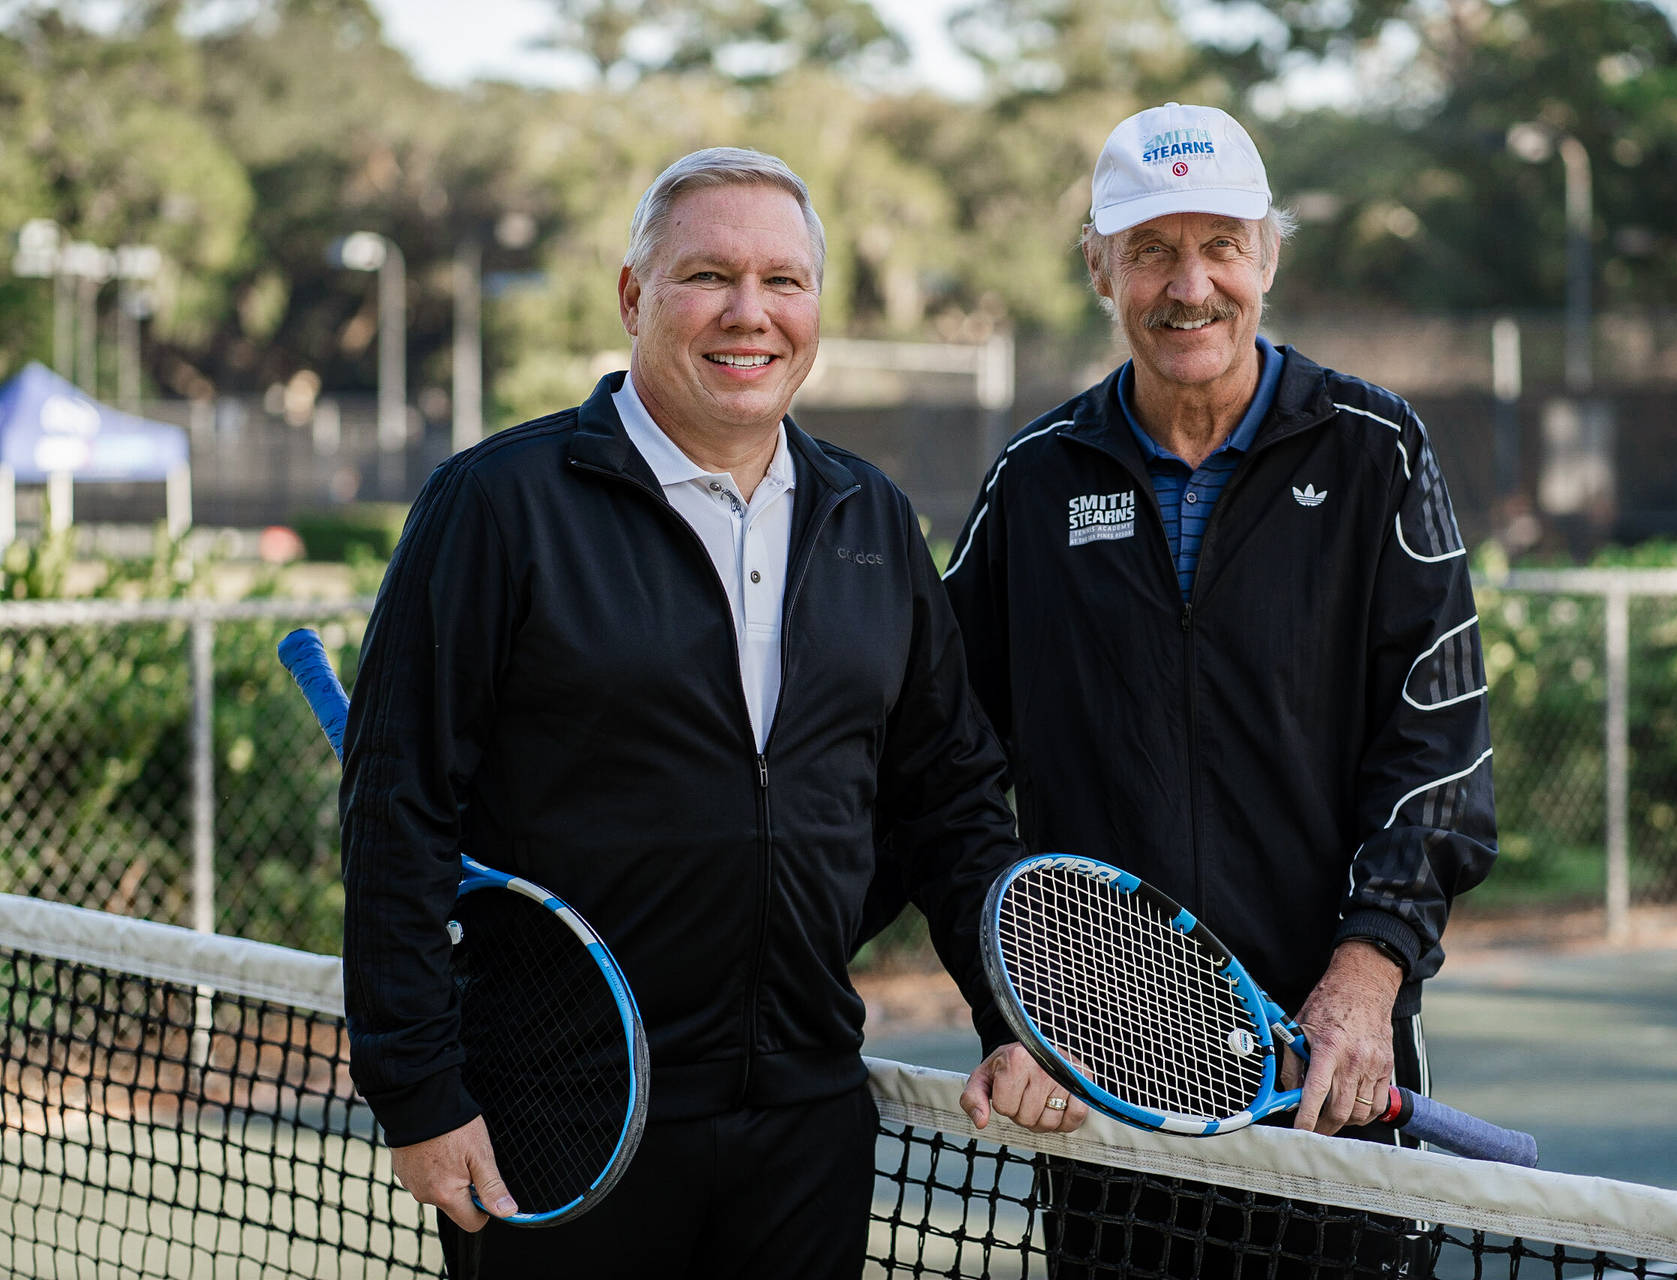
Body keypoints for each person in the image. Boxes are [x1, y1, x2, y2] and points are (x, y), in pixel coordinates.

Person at [338, 146, 1083, 1280]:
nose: (752, 313)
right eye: (709, 277)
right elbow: (395, 812)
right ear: (635, 296)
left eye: (784, 281)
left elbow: (952, 799)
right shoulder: (495, 505)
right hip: (562, 1116)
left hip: (806, 1118)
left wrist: (1010, 1009)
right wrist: (418, 1093)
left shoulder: (868, 516)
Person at [939, 103, 1498, 1275]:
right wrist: (1019, 1010)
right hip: (1105, 1094)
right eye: (1149, 250)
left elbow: (1439, 745)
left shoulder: (1375, 449)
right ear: (1100, 268)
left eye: (1220, 247)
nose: (1188, 286)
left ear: (1268, 258)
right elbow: (937, 763)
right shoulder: (1036, 481)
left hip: (1326, 1079)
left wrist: (1369, 966)